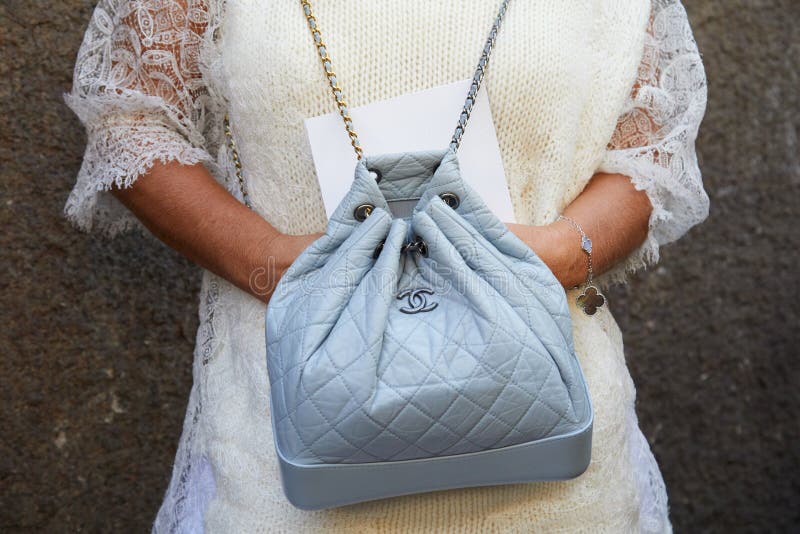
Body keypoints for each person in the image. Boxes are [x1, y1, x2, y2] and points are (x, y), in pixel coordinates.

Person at [64, 0, 709, 531]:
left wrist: (561, 254)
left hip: (563, 481)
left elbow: (652, 146)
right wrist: (270, 262)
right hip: (280, 469)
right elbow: (128, 117)